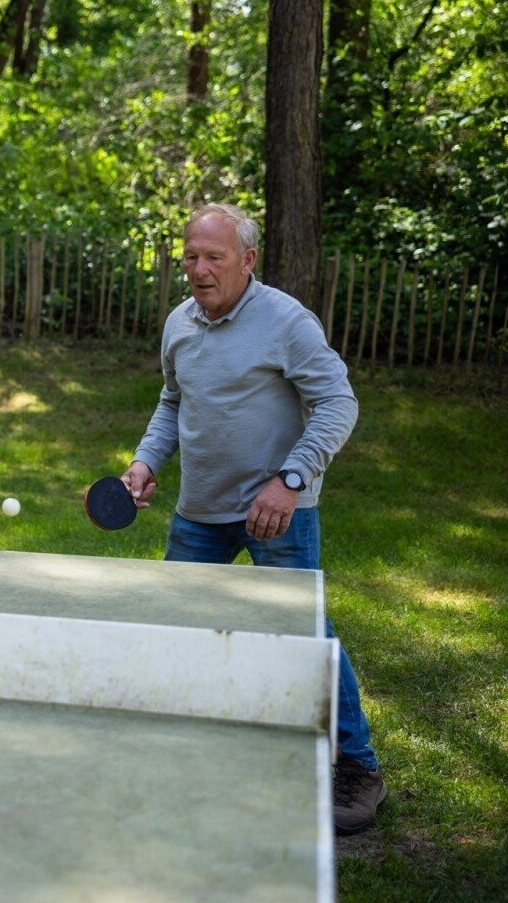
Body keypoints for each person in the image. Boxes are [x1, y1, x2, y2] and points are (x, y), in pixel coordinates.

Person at [121, 202, 385, 835]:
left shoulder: (286, 321)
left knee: (306, 637)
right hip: (200, 511)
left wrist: (291, 480)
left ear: (247, 260)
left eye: (214, 257)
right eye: (191, 257)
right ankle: (186, 746)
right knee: (177, 629)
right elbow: (172, 401)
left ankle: (359, 768)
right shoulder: (179, 323)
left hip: (278, 513)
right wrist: (145, 460)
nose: (200, 270)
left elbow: (338, 402)